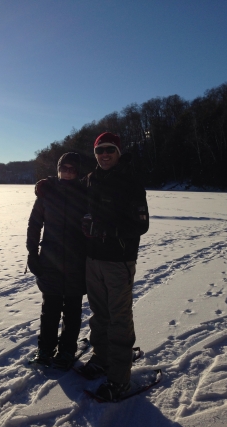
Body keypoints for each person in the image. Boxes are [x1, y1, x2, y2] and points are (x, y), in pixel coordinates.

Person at [80, 132, 149, 401]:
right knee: (99, 314)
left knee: (118, 318)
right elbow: (68, 191)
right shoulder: (90, 179)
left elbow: (141, 225)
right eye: (100, 150)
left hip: (118, 261)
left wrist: (105, 228)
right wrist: (48, 185)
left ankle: (120, 379)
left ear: (118, 152)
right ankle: (102, 357)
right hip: (93, 259)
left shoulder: (130, 181)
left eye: (109, 150)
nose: (104, 155)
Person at [26, 152, 87, 370]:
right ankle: (45, 350)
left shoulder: (86, 193)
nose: (68, 172)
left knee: (72, 310)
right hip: (50, 260)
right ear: (58, 169)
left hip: (77, 262)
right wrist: (32, 252)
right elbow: (34, 224)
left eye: (73, 169)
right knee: (49, 309)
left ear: (78, 172)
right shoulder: (47, 192)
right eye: (64, 168)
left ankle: (67, 351)